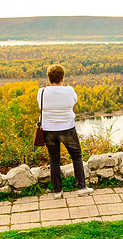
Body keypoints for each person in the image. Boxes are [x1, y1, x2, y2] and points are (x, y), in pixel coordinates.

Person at [37, 64, 93, 199]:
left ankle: (57, 191)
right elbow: (74, 101)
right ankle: (81, 187)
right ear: (63, 77)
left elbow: (41, 105)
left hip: (49, 130)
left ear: (49, 78)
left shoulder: (42, 92)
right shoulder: (68, 90)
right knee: (76, 157)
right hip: (67, 128)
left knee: (54, 160)